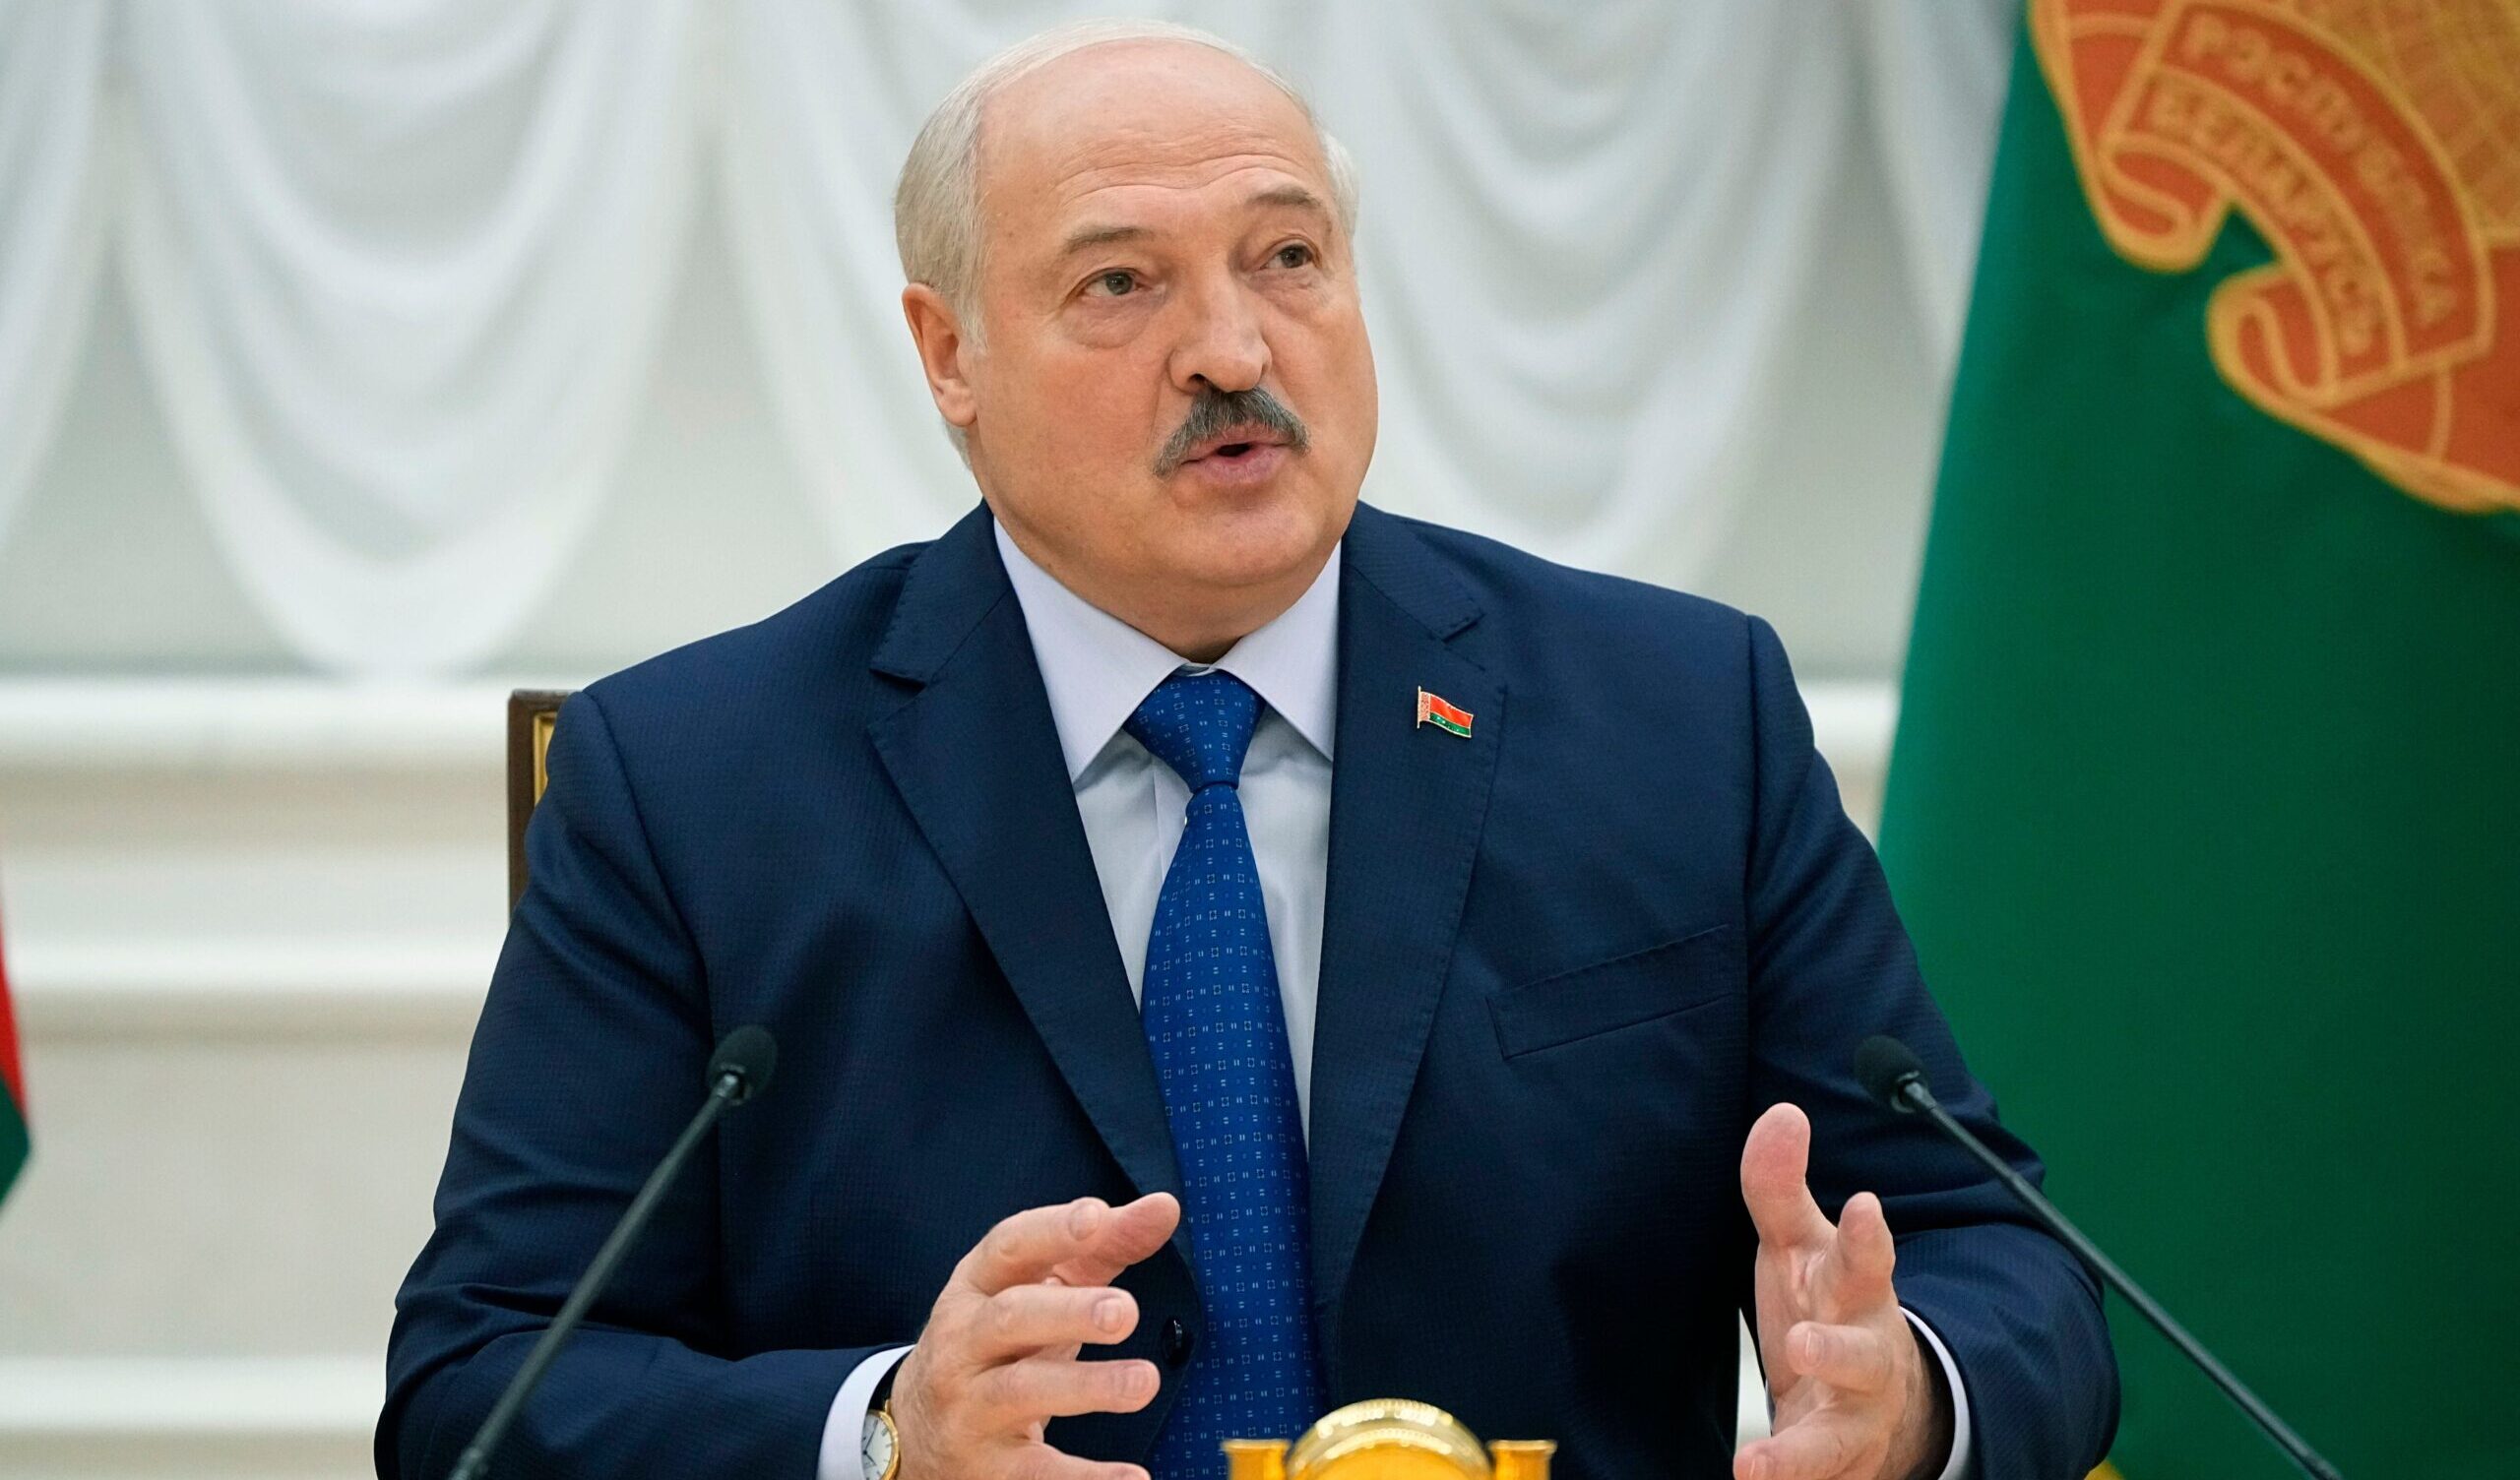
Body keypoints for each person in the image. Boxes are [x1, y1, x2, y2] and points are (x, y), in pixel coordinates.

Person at [381, 21, 2116, 1480]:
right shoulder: (695, 785)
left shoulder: (1677, 718)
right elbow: (480, 1384)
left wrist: (1907, 1396)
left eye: (1288, 259)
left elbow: (1989, 1255)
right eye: (1120, 284)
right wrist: (887, 1432)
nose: (1231, 351)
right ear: (950, 355)